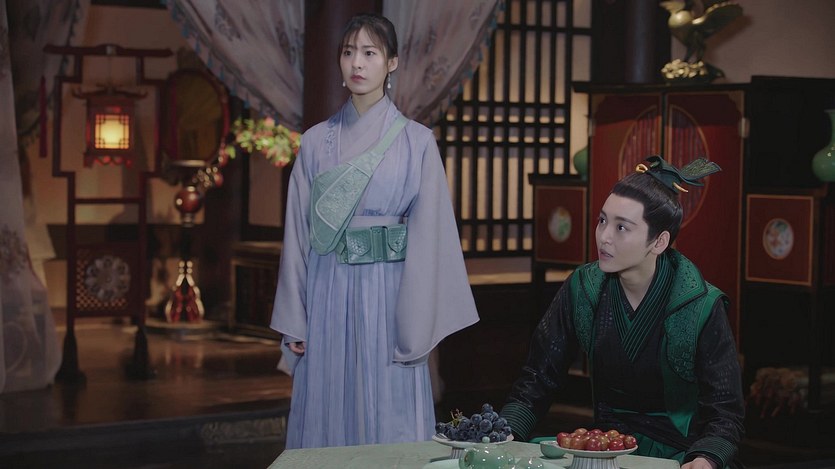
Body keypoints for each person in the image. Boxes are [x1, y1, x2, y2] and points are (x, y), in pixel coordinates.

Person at [270, 13, 479, 449]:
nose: (357, 64)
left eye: (370, 53)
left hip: (391, 294)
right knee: (328, 405)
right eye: (349, 53)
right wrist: (294, 319)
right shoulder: (315, 142)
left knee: (389, 409)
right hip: (328, 290)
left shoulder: (417, 142)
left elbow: (431, 238)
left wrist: (417, 321)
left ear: (392, 62)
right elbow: (298, 237)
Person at [500, 156, 745, 468]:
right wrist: (506, 431)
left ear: (659, 242)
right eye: (602, 221)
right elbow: (538, 378)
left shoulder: (700, 304)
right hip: (605, 449)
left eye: (621, 227)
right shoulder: (584, 288)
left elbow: (725, 411)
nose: (604, 236)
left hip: (682, 454)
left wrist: (707, 457)